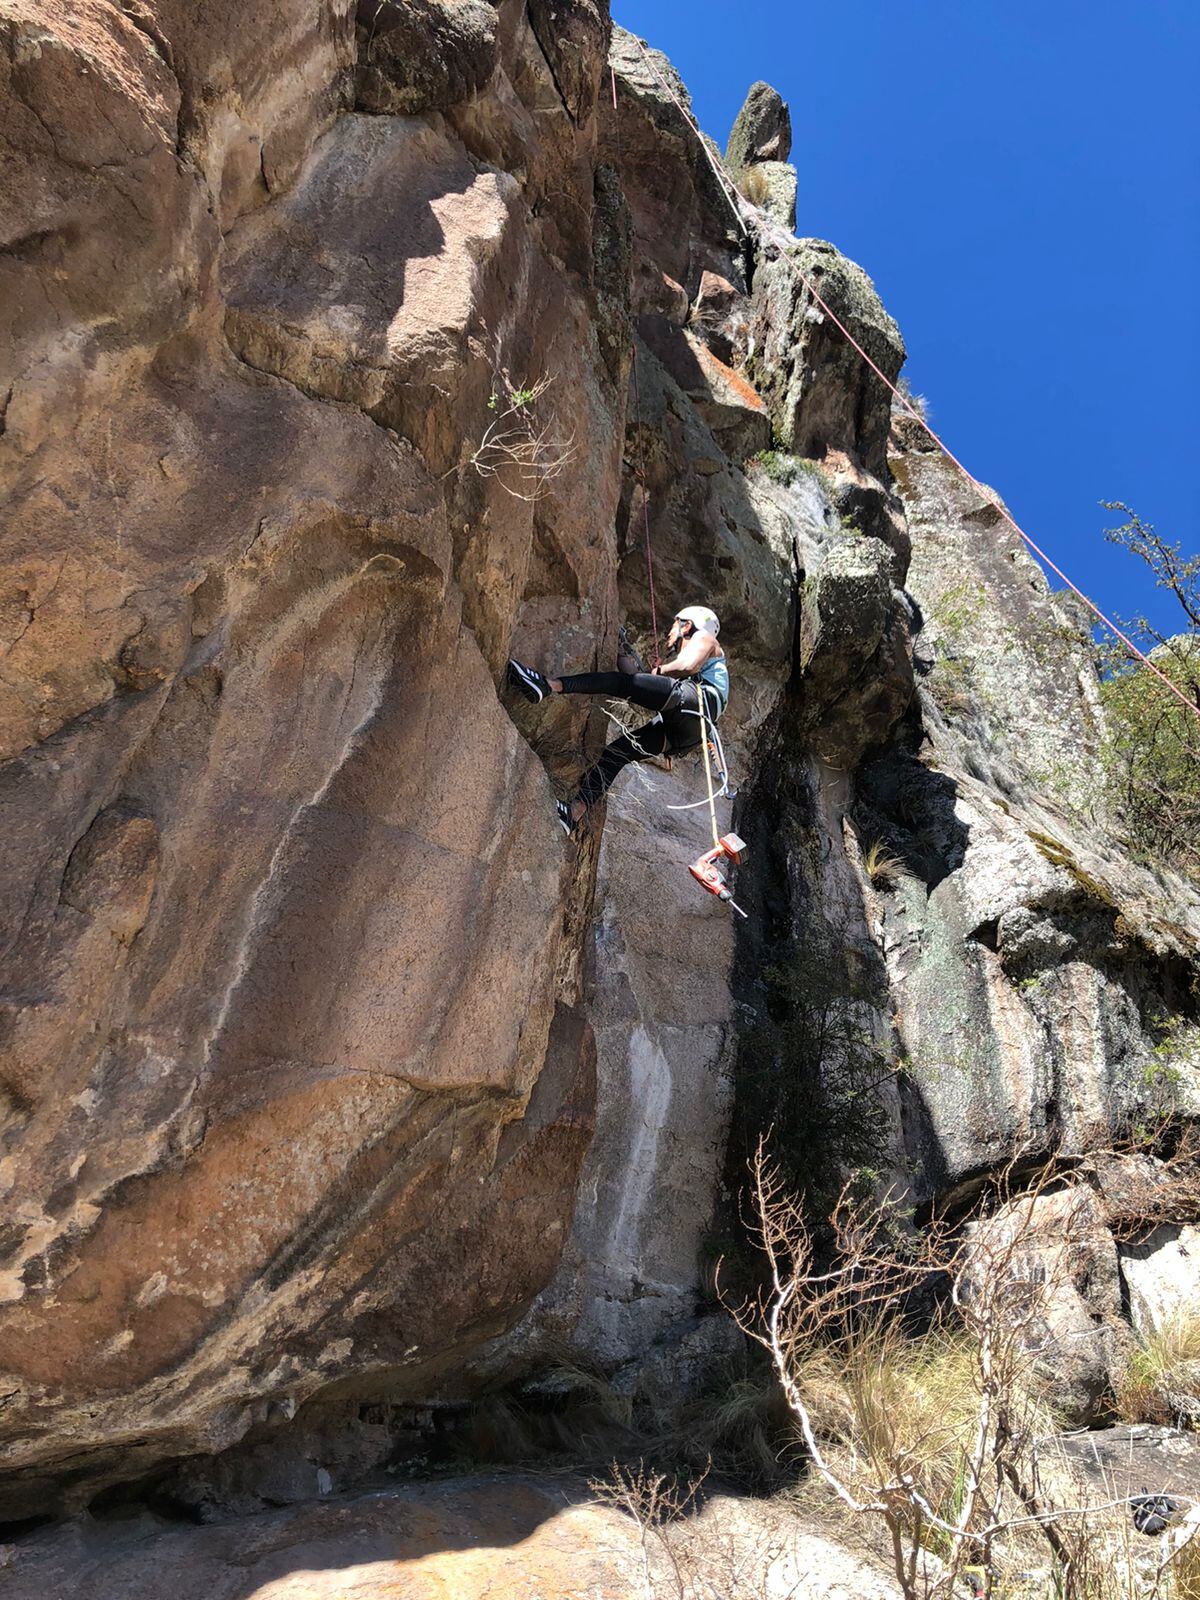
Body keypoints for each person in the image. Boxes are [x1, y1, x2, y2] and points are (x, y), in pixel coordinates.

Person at [507, 605, 729, 833]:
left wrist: (660, 671)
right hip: (686, 733)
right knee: (617, 753)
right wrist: (623, 653)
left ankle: (548, 685)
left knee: (619, 684)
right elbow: (636, 680)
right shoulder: (704, 665)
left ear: (688, 625)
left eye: (674, 626)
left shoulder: (705, 638)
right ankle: (572, 814)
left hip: (695, 702)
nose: (668, 634)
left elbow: (687, 665)